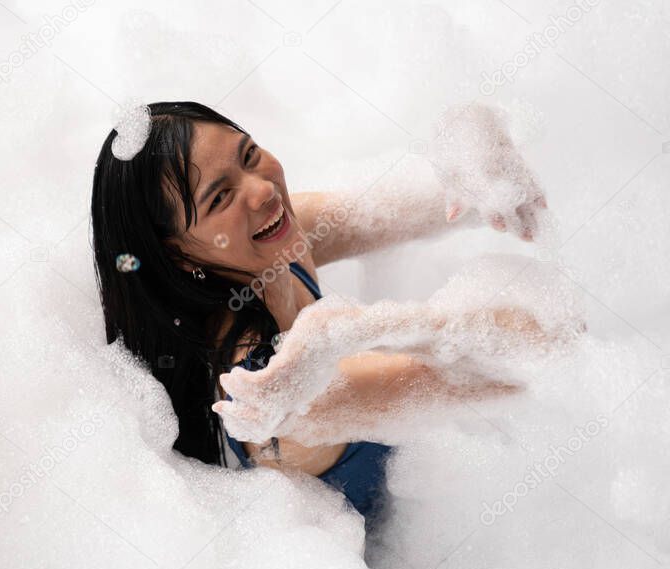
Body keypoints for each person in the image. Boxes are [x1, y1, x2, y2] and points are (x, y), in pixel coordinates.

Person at [90, 101, 549, 530]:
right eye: (220, 198)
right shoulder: (269, 398)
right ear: (178, 254)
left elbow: (437, 202)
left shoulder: (271, 240)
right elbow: (513, 365)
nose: (263, 190)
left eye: (249, 155)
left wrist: (484, 157)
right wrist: (360, 331)